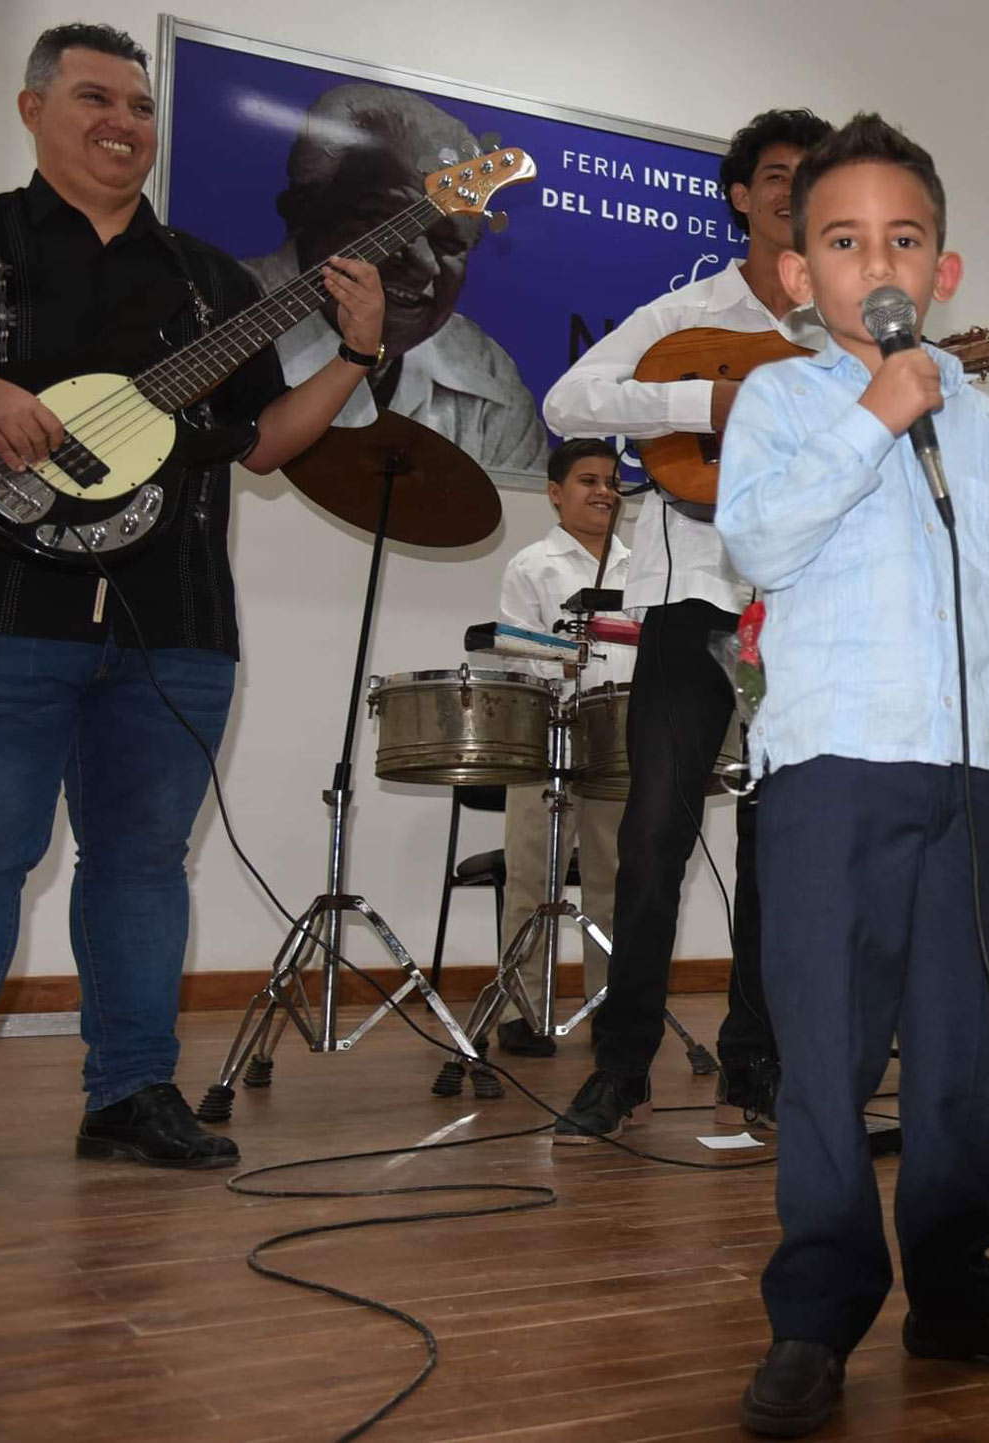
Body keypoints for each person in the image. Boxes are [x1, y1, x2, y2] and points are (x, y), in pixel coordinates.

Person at [715, 111, 989, 1437]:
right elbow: (757, 543)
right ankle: (815, 1309)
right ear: (793, 277)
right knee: (827, 1049)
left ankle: (952, 1278)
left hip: (969, 774)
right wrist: (874, 414)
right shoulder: (779, 401)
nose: (873, 257)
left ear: (946, 268)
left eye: (902, 236)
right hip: (831, 764)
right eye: (839, 238)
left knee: (954, 1046)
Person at [0, 23, 384, 1165]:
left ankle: (130, 1095)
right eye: (96, 97)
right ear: (33, 108)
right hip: (1, 612)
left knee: (145, 861)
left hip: (180, 624)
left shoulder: (213, 281)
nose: (123, 123)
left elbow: (262, 448)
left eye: (141, 107)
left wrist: (355, 353)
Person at [540, 108, 834, 1141]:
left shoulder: (841, 329)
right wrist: (706, 406)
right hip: (688, 603)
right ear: (743, 195)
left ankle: (755, 1062)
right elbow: (567, 403)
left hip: (798, 612)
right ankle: (620, 1066)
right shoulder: (686, 316)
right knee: (655, 834)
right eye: (778, 177)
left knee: (779, 843)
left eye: (814, 180)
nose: (794, 197)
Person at [240, 82, 545, 474]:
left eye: (449, 245)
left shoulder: (488, 378)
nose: (422, 265)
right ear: (304, 213)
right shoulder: (220, 302)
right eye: (384, 225)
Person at [491, 439, 635, 1057]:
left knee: (616, 878)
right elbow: (514, 649)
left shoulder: (644, 566)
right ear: (555, 493)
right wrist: (568, 657)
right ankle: (523, 1010)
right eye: (587, 481)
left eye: (611, 481)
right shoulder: (533, 565)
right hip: (546, 739)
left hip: (622, 738)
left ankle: (609, 1007)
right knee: (532, 875)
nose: (604, 491)